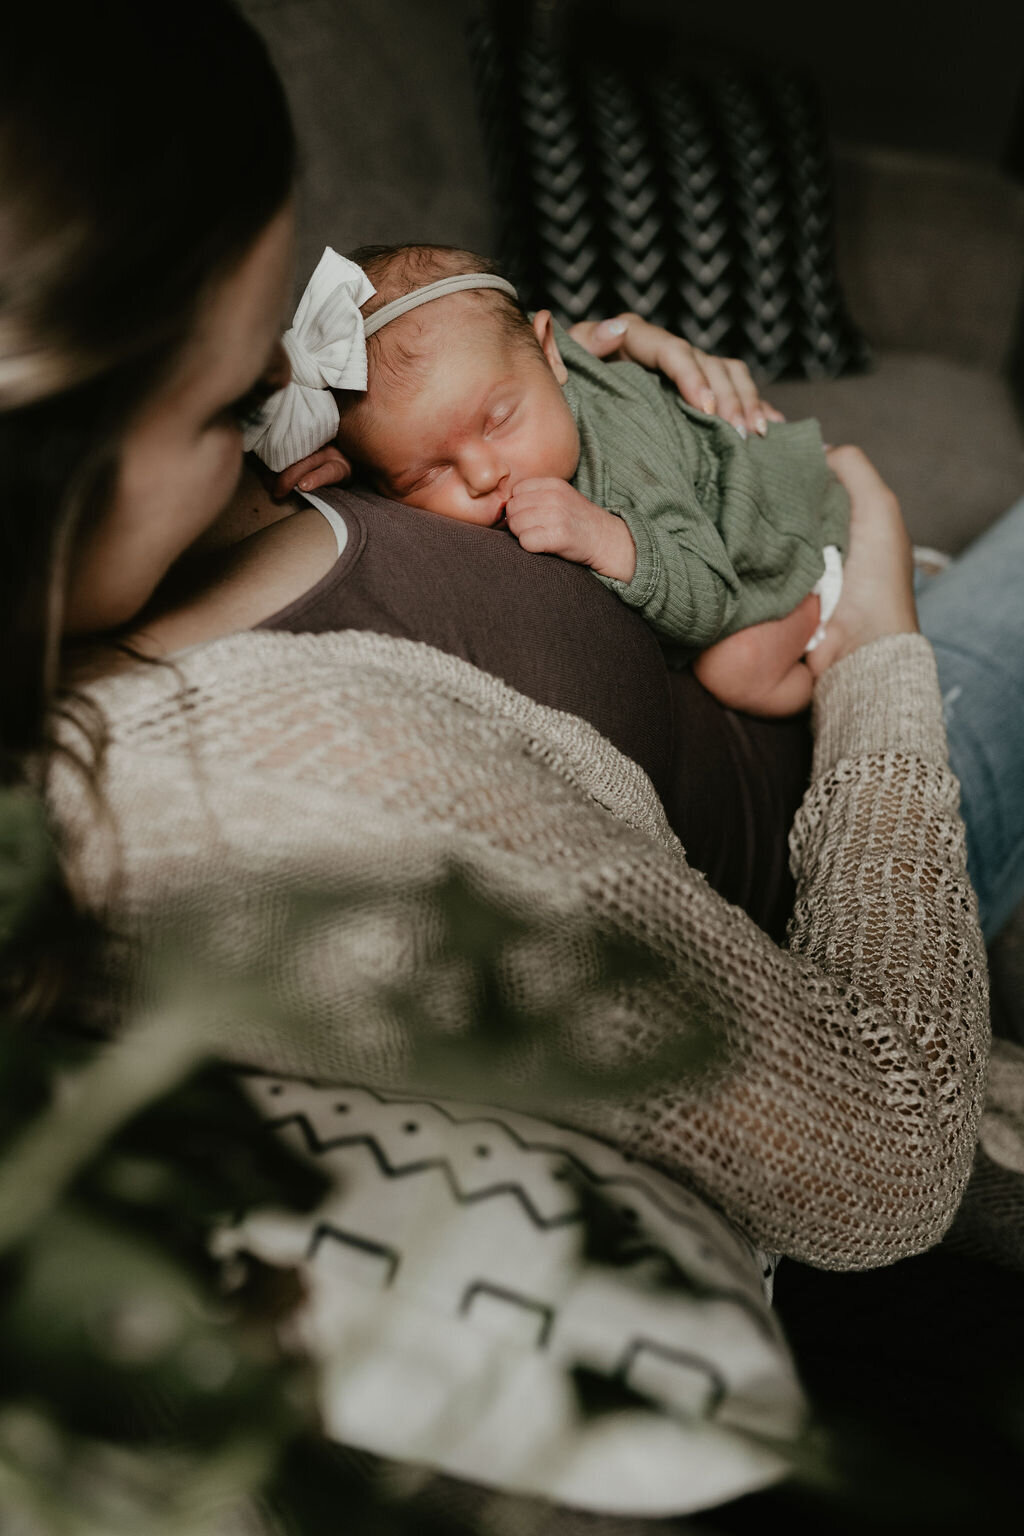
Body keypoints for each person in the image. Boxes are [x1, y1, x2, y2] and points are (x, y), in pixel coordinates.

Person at [0, 0, 1006, 1285]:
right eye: (227, 400)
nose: (281, 395)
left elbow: (417, 372)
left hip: (760, 585)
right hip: (829, 779)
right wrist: (879, 648)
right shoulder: (301, 795)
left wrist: (596, 382)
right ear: (53, 462)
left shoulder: (128, 557)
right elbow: (886, 1155)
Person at [245, 242, 848, 716]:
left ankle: (833, 626)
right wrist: (352, 465)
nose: (484, 474)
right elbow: (407, 428)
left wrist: (606, 537)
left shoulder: (628, 461)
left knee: (734, 672)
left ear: (551, 355)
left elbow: (711, 597)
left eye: (500, 419)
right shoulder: (504, 378)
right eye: (425, 472)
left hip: (779, 516)